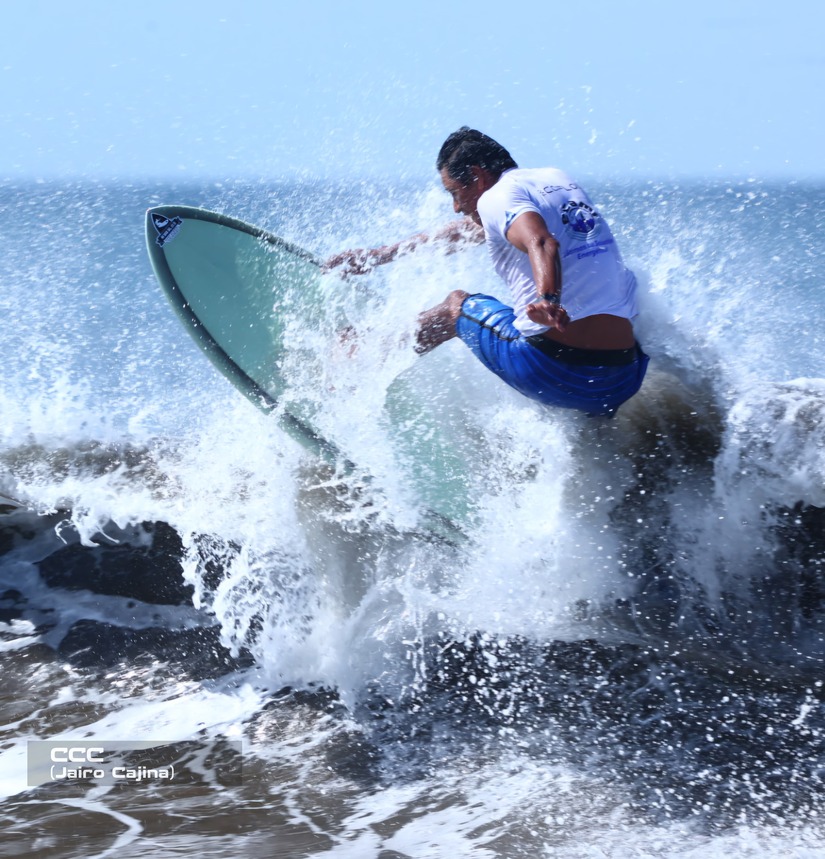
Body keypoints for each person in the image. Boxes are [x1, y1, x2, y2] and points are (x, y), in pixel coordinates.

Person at [325, 127, 648, 417]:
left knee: (456, 307)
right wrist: (381, 255)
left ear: (478, 177)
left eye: (454, 192)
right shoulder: (556, 180)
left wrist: (548, 298)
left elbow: (542, 242)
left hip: (555, 372)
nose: (456, 206)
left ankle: (361, 361)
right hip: (622, 380)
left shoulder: (497, 196)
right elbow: (468, 231)